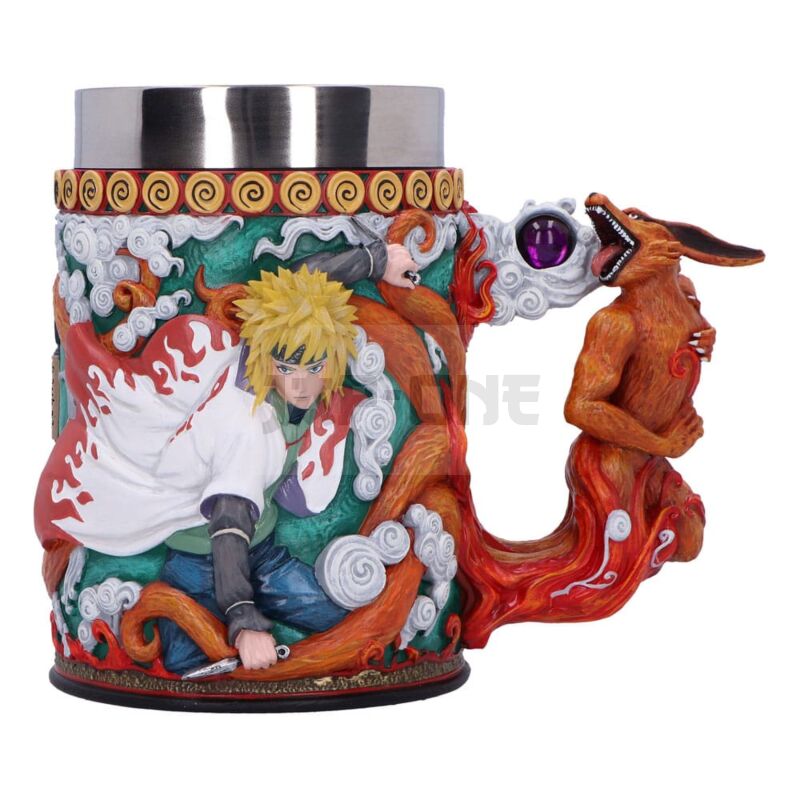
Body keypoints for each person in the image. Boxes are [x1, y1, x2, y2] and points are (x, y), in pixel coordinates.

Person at [158, 242, 419, 673]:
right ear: (267, 361)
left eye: (314, 368)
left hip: (262, 552)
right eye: (288, 368)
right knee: (185, 665)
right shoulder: (246, 419)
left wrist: (377, 260)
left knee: (340, 625)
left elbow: (303, 282)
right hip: (200, 560)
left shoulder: (282, 340)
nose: (301, 384)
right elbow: (228, 523)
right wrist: (243, 621)